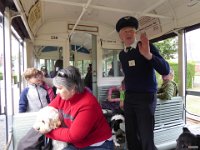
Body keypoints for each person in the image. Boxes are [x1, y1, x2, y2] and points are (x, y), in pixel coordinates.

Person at [116, 16, 170, 150]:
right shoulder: (122, 55)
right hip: (129, 98)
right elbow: (126, 79)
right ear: (120, 36)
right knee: (131, 136)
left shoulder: (147, 46)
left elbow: (165, 69)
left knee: (146, 138)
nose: (128, 33)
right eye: (124, 31)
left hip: (145, 98)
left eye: (131, 30)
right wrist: (122, 98)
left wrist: (149, 55)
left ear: (135, 33)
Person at [44, 66, 114, 150]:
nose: (57, 92)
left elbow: (73, 136)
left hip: (98, 144)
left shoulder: (88, 104)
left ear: (73, 88)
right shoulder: (61, 97)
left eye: (60, 88)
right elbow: (47, 112)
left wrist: (47, 130)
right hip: (77, 143)